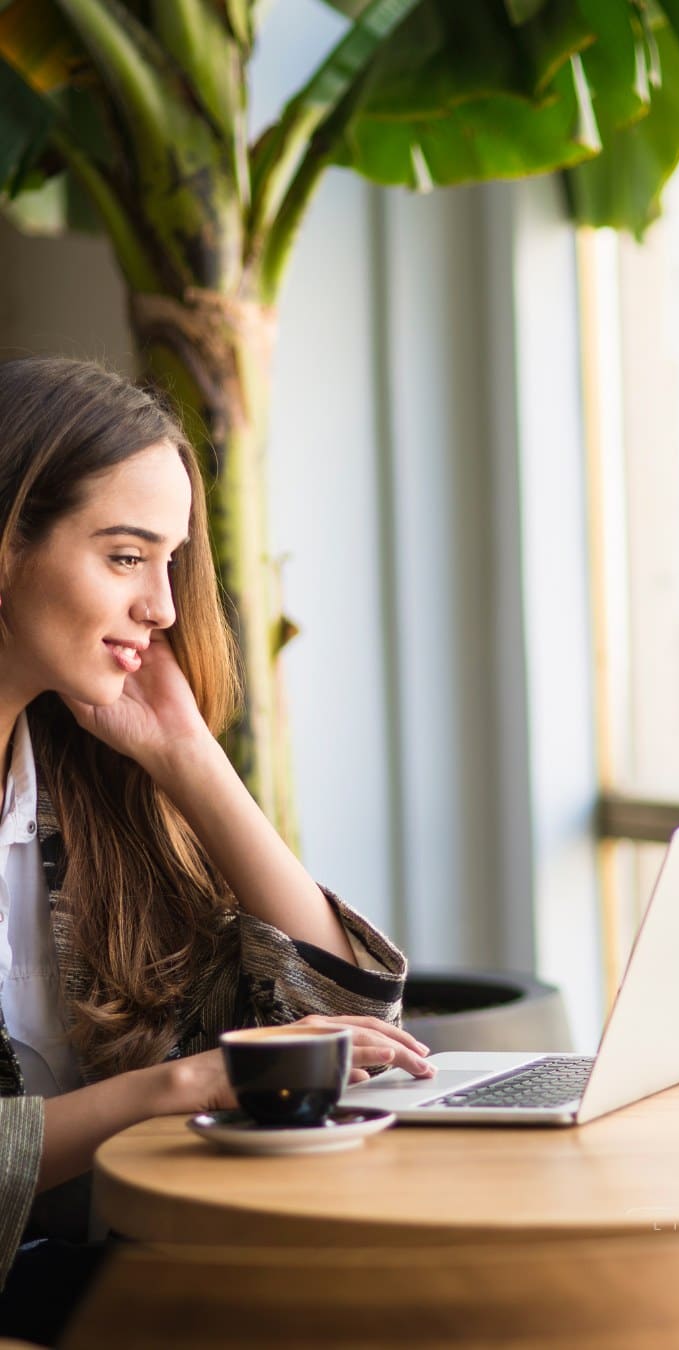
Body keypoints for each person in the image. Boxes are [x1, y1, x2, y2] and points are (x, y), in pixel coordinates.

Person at [0, 355, 434, 1343]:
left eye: (170, 562)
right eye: (123, 557)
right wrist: (178, 1086)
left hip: (112, 1277)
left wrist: (195, 762)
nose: (161, 607)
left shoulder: (82, 798)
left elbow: (334, 1021)